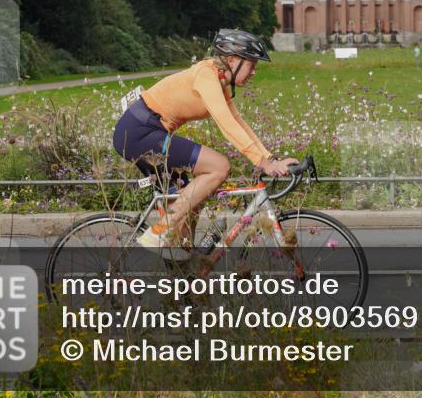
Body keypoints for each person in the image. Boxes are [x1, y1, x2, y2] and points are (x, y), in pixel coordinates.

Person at [112, 29, 298, 257]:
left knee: (190, 205)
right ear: (232, 60)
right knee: (219, 166)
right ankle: (159, 231)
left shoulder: (219, 81)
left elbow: (238, 122)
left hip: (149, 132)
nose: (254, 72)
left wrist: (269, 159)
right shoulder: (206, 76)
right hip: (139, 132)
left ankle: (183, 272)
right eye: (252, 65)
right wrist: (263, 163)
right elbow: (226, 124)